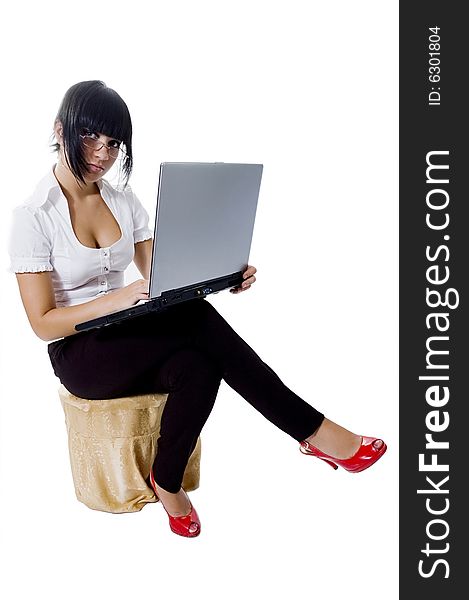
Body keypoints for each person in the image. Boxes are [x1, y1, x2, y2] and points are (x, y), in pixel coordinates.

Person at [8, 80, 387, 538]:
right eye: (90, 136)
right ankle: (315, 433)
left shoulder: (122, 200)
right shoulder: (33, 215)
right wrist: (120, 297)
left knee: (197, 364)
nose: (102, 154)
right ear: (60, 129)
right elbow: (42, 324)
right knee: (196, 321)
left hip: (131, 334)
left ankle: (166, 481)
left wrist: (224, 274)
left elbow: (165, 277)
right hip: (80, 353)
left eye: (113, 143)